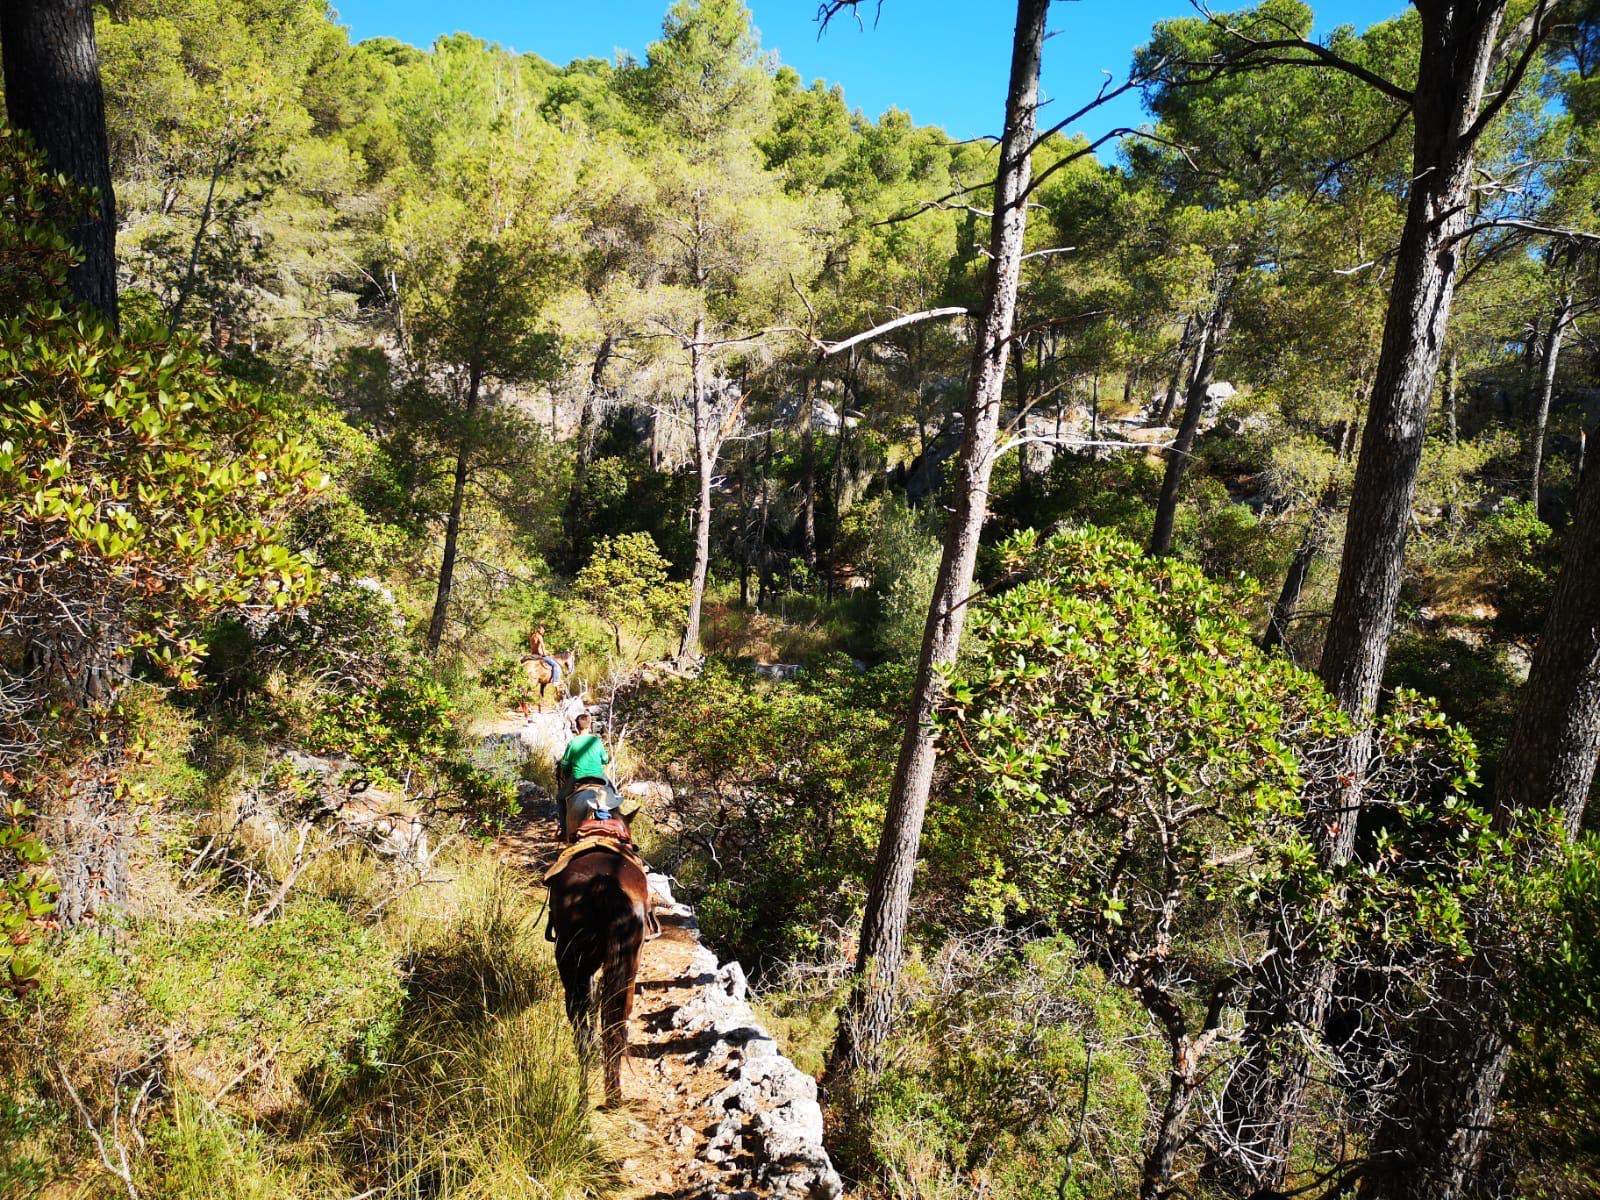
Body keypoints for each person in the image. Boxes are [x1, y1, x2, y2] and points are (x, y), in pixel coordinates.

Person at [556, 711, 611, 839]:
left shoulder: (573, 743)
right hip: (599, 778)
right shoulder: (596, 741)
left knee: (560, 798)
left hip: (578, 778)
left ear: (576, 727)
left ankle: (564, 831)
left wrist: (566, 768)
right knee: (613, 796)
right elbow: (605, 759)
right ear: (589, 726)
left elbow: (564, 764)